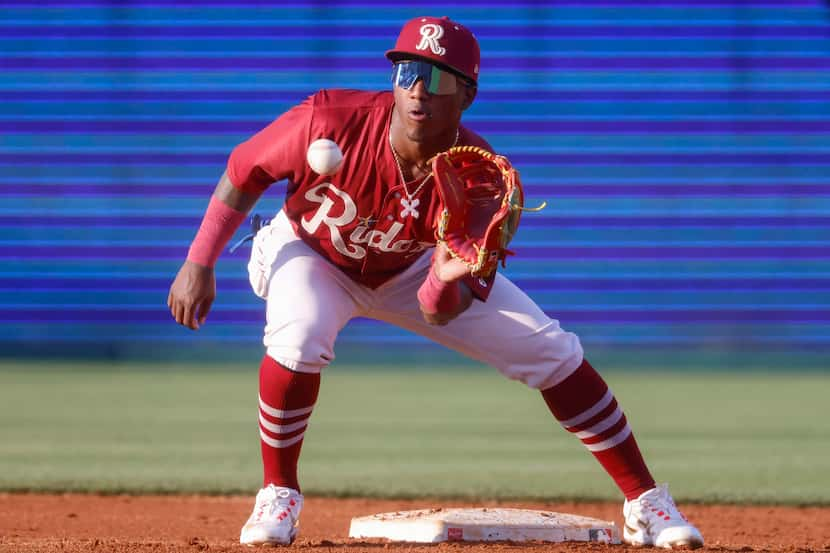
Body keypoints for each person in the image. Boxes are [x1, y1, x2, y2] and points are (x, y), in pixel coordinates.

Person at [167, 15, 704, 549]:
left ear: (466, 95)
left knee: (551, 350)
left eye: (438, 78)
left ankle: (645, 503)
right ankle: (278, 493)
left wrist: (443, 278)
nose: (418, 90)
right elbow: (244, 170)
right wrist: (199, 261)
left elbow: (438, 312)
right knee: (300, 333)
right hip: (312, 250)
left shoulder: (482, 179)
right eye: (407, 72)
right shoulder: (330, 119)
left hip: (412, 266)